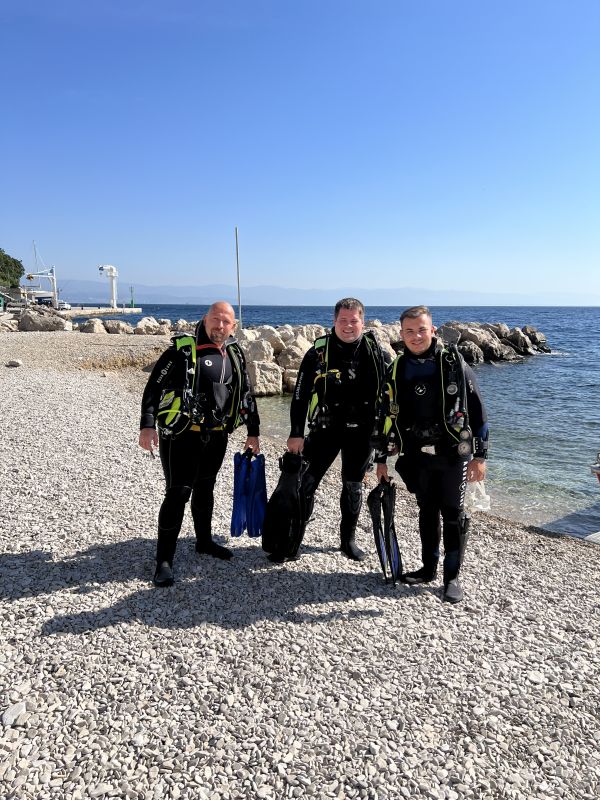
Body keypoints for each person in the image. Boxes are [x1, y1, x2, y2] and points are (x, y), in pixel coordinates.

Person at [139, 302, 260, 587]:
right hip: (183, 434)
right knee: (178, 493)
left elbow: (246, 394)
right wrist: (147, 425)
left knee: (206, 488)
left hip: (216, 435)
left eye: (226, 321)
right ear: (205, 320)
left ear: (233, 326)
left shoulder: (234, 353)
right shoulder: (182, 351)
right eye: (215, 319)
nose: (220, 325)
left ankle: (204, 542)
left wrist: (253, 432)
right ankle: (164, 561)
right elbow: (153, 387)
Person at [376, 306, 489, 603]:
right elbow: (384, 416)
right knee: (426, 512)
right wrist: (381, 459)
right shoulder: (397, 368)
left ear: (433, 330)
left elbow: (478, 412)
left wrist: (480, 457)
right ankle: (428, 569)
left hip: (452, 454)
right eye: (409, 331)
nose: (416, 336)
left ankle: (452, 577)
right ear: (401, 334)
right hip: (417, 455)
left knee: (452, 514)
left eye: (422, 330)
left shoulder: (454, 364)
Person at [284, 298, 390, 561]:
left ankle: (348, 541)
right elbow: (300, 395)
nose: (348, 325)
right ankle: (292, 539)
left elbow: (391, 398)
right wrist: (296, 432)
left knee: (353, 487)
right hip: (325, 429)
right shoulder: (318, 352)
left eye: (354, 320)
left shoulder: (377, 353)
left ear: (362, 322)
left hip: (362, 433)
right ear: (334, 321)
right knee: (305, 484)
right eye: (343, 320)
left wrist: (386, 443)